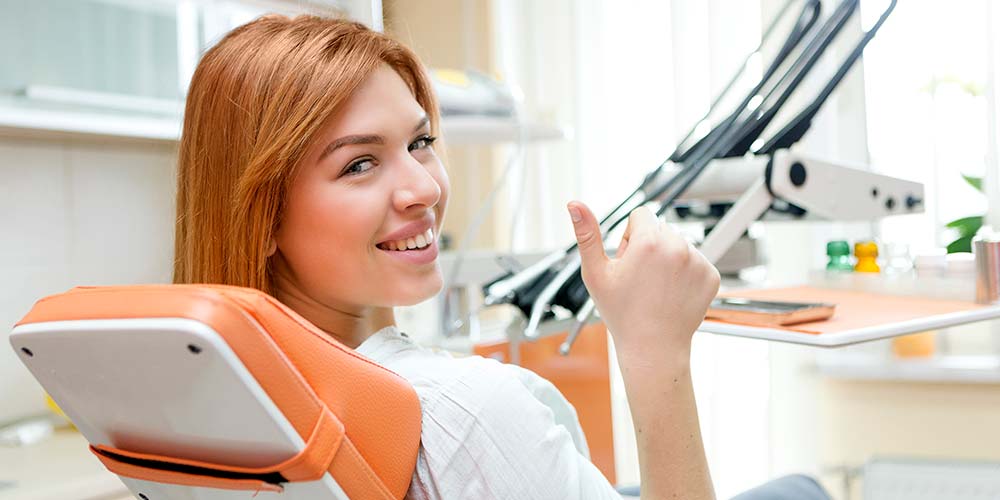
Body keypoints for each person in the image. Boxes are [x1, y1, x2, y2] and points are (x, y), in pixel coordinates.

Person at [173, 14, 720, 500]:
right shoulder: (465, 411)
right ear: (262, 218)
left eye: (420, 142)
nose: (425, 188)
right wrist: (656, 353)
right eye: (360, 164)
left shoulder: (195, 411)